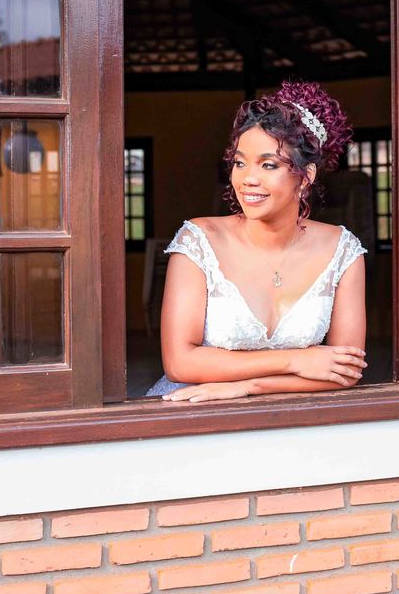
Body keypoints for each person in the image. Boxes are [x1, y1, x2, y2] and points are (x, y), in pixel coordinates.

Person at [146, 79, 368, 403]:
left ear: (306, 176)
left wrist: (249, 386)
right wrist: (295, 360)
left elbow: (346, 371)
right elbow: (180, 362)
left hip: (297, 416)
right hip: (198, 413)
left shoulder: (343, 251)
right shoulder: (198, 241)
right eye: (240, 163)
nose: (248, 179)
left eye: (268, 164)